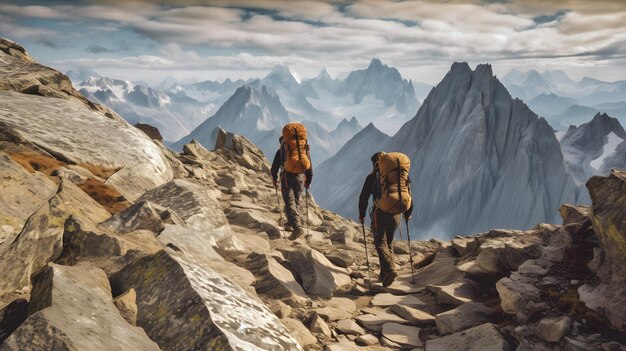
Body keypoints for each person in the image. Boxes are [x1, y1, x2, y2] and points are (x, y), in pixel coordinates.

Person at [358, 152, 413, 287]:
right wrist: (408, 213)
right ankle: (384, 274)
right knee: (389, 243)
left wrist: (362, 214)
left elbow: (363, 197)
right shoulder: (399, 176)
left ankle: (391, 270)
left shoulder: (372, 178)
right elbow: (409, 194)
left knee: (380, 243)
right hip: (396, 213)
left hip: (380, 213)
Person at [271, 136, 313, 240]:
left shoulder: (281, 151)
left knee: (289, 203)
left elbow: (274, 168)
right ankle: (290, 223)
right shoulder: (304, 151)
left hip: (286, 178)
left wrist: (275, 180)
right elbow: (309, 168)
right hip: (299, 178)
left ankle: (297, 229)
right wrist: (308, 182)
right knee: (296, 202)